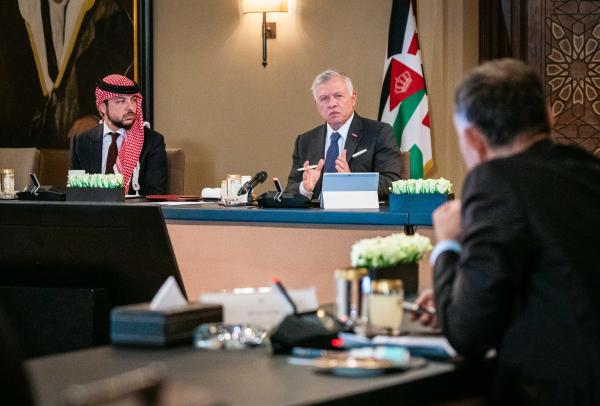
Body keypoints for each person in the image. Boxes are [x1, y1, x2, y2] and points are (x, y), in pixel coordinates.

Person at [415, 59, 600, 404]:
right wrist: (455, 298)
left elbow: (468, 334)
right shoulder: (587, 169)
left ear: (473, 140)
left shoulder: (494, 180)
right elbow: (553, 280)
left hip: (555, 390)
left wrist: (447, 244)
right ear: (549, 118)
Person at [285, 70, 402, 199]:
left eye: (338, 96)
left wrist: (352, 182)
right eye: (324, 98)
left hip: (359, 210)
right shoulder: (304, 141)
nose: (332, 104)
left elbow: (392, 183)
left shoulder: (379, 133)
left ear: (353, 98)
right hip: (316, 211)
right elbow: (290, 188)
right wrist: (305, 188)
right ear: (316, 104)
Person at [70, 74, 167, 195]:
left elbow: (154, 195)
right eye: (121, 101)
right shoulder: (82, 141)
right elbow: (75, 192)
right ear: (102, 107)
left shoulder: (152, 142)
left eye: (134, 100)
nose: (131, 108)